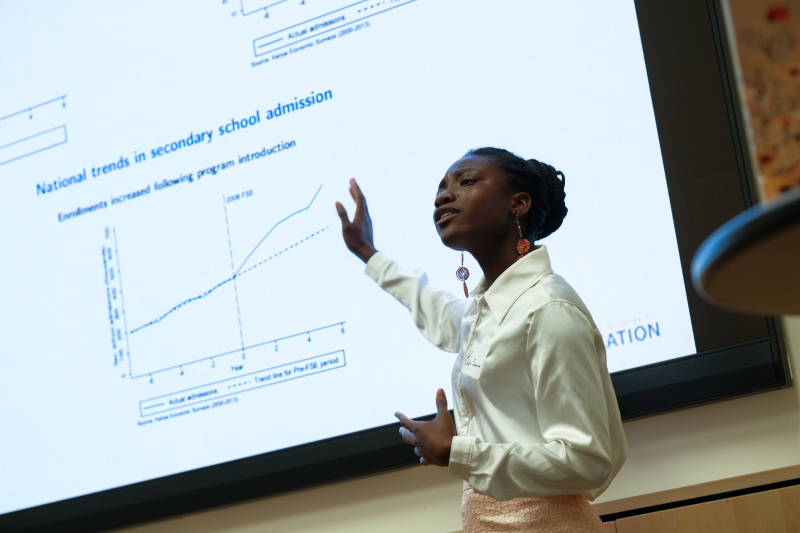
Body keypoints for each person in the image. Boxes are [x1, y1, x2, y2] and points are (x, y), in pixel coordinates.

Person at [335, 147, 627, 532]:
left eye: (465, 181)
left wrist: (460, 453)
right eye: (441, 187)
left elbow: (587, 460)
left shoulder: (549, 310)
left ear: (518, 203)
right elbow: (436, 309)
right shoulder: (485, 309)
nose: (443, 195)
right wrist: (368, 253)